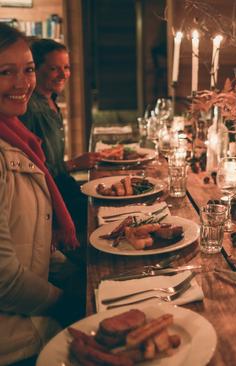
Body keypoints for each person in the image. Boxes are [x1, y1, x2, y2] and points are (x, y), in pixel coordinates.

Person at [0, 24, 83, 364]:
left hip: (32, 321)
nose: (22, 84)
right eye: (6, 72)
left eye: (28, 69)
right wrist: (70, 304)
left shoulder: (17, 138)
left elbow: (30, 240)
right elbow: (5, 280)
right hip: (17, 345)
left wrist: (78, 276)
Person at [19, 38, 100, 236]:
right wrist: (72, 164)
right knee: (100, 214)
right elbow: (31, 172)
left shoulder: (51, 101)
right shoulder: (32, 110)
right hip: (47, 197)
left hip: (61, 184)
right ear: (35, 69)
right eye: (55, 68)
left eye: (67, 67)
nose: (64, 74)